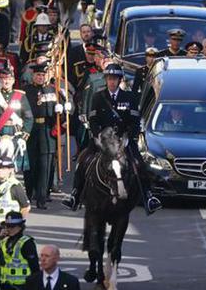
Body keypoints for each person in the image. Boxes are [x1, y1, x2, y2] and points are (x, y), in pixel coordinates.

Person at [63, 63, 162, 214]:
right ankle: (75, 195)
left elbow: (135, 121)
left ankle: (149, 197)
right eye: (109, 78)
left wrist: (129, 135)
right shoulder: (98, 97)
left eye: (115, 79)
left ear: (120, 80)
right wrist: (98, 136)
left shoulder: (130, 98)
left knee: (139, 163)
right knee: (83, 160)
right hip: (103, 139)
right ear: (106, 80)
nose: (112, 82)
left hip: (123, 140)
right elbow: (94, 121)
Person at [22, 64, 58, 209]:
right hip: (30, 131)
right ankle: (29, 194)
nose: (40, 77)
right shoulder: (26, 91)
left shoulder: (52, 90)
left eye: (43, 75)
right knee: (30, 166)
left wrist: (62, 110)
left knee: (45, 166)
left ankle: (42, 198)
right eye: (38, 75)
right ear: (33, 76)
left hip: (46, 130)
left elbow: (66, 109)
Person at [0, 68, 33, 169]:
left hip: (15, 133)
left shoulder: (20, 96)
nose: (6, 81)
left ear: (13, 81)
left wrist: (24, 135)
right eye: (3, 79)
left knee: (13, 166)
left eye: (9, 79)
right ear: (0, 80)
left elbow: (28, 117)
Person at [0, 211, 40, 289]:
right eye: (7, 226)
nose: (9, 229)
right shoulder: (4, 241)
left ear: (20, 227)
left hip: (23, 286)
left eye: (12, 227)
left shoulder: (27, 243)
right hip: (5, 285)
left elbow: (34, 266)